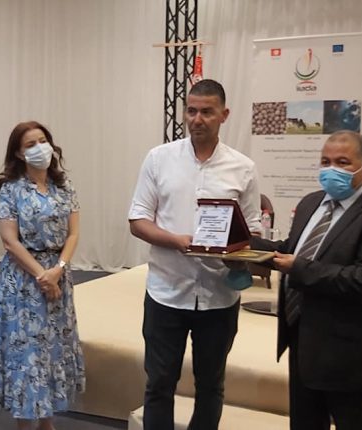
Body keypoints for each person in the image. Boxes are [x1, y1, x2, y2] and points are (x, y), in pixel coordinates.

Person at [128, 79, 261, 430]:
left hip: (219, 295)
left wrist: (236, 251)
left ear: (224, 115)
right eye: (191, 110)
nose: (197, 119)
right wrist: (177, 241)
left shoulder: (243, 167)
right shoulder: (159, 159)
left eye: (206, 112)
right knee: (159, 384)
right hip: (166, 291)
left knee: (211, 386)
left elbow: (253, 231)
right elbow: (138, 220)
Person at [250, 131, 362, 430]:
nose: (331, 169)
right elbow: (290, 248)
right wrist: (244, 245)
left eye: (343, 162)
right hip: (301, 339)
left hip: (345, 351)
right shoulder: (311, 203)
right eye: (325, 161)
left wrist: (300, 268)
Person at [0, 120, 85, 430]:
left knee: (51, 348)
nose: (40, 148)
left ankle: (47, 421)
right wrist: (43, 275)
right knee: (25, 351)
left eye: (43, 141)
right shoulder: (11, 189)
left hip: (58, 273)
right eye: (30, 144)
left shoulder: (64, 186)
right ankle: (24, 424)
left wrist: (58, 270)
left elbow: (73, 233)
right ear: (19, 153)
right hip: (23, 280)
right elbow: (9, 240)